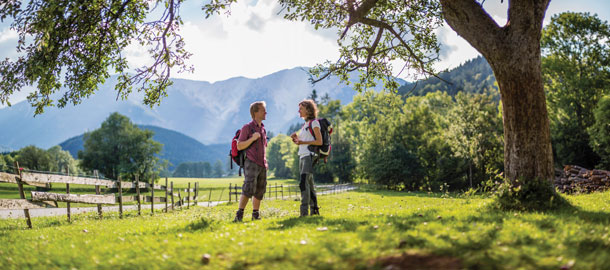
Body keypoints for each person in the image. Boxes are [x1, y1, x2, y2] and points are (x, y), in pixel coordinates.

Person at [233, 101, 268, 222]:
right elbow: (239, 146)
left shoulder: (263, 129)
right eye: (263, 110)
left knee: (260, 189)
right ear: (255, 112)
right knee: (248, 187)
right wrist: (253, 138)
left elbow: (264, 147)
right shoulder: (247, 127)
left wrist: (265, 162)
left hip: (262, 163)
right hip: (251, 161)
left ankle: (255, 214)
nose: (265, 112)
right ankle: (239, 215)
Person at [290, 99, 321, 217]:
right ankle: (314, 210)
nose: (299, 111)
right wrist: (296, 139)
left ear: (308, 110)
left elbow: (319, 141)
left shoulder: (314, 123)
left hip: (309, 156)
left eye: (301, 108)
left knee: (303, 183)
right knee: (309, 184)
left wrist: (302, 141)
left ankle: (304, 213)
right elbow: (303, 142)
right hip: (302, 156)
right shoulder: (305, 125)